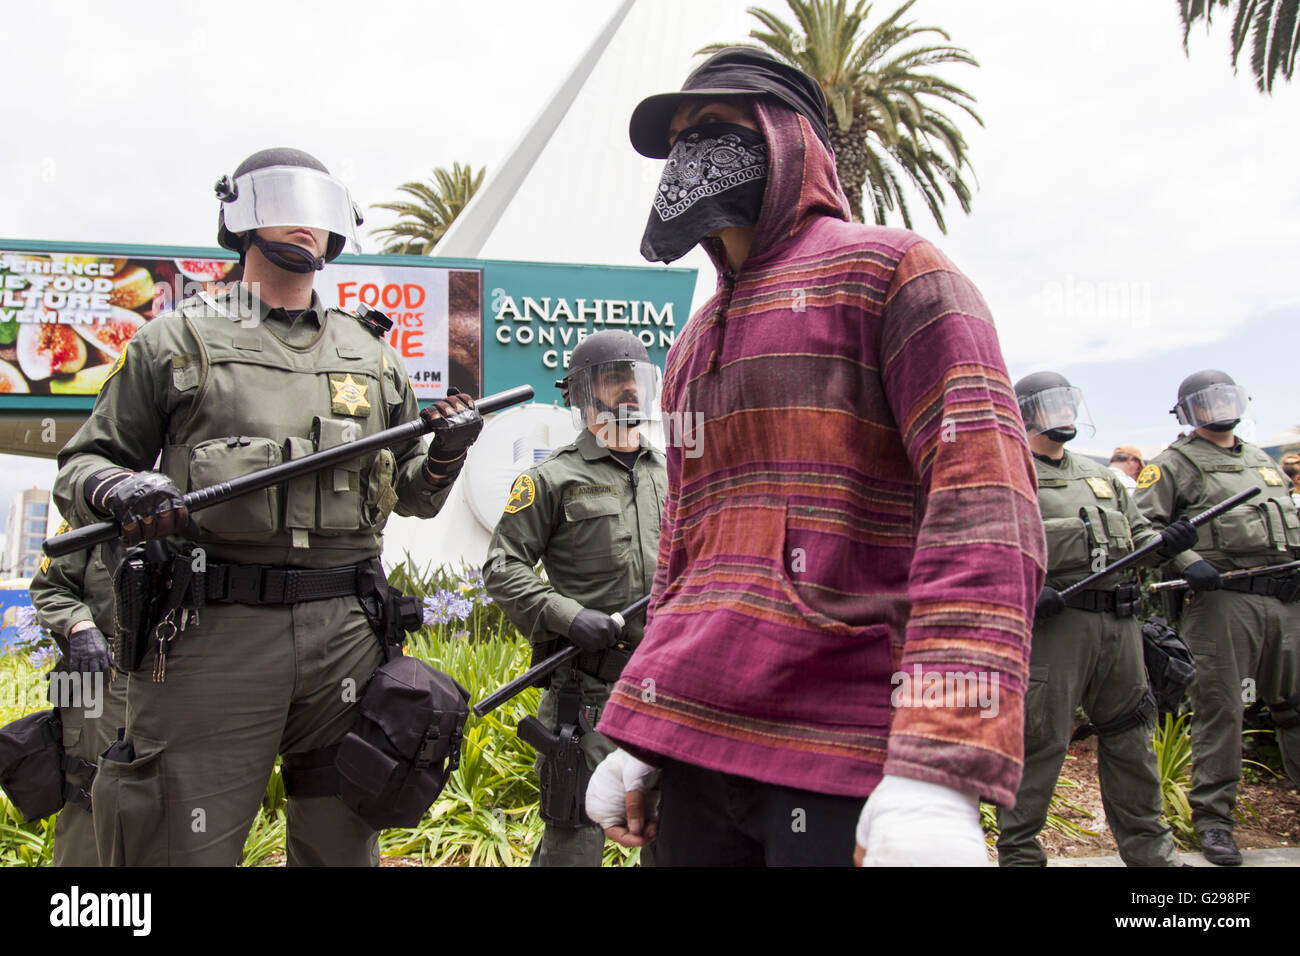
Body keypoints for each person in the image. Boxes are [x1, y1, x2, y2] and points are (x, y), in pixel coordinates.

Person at [584, 48, 1046, 867]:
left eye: (719, 129)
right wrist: (646, 731)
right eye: (681, 138)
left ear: (791, 141)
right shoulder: (692, 343)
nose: (693, 153)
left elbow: (984, 512)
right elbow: (684, 550)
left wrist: (940, 765)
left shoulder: (897, 273)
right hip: (700, 758)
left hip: (851, 760)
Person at [51, 147, 483, 866]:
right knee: (174, 842)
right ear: (240, 217)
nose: (305, 225)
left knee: (344, 842)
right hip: (212, 628)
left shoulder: (371, 354)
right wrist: (122, 489)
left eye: (318, 207)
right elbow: (83, 465)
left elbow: (410, 492)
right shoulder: (176, 338)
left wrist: (445, 453)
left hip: (347, 627)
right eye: (283, 202)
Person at [996, 373, 1197, 867]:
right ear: (1025, 412)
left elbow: (1141, 530)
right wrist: (1024, 589)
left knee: (1132, 737)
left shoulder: (1100, 475)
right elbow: (985, 545)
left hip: (1121, 623)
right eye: (1050, 406)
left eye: (1068, 404)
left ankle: (1151, 853)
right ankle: (1020, 854)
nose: (1063, 415)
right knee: (1040, 740)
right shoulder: (1006, 470)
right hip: (1055, 628)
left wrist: (1169, 544)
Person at [483, 330, 667, 866]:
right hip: (587, 695)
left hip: (665, 686)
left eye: (637, 377)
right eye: (614, 379)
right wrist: (568, 616)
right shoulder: (551, 478)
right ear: (582, 394)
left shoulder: (673, 474)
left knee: (672, 832)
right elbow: (501, 566)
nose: (629, 391)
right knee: (574, 843)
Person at [1134, 369, 1300, 866]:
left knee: (1295, 707)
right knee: (1221, 710)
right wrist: (1189, 562)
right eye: (1206, 403)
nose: (1218, 409)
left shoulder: (1256, 459)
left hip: (1285, 597)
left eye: (1225, 399)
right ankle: (1214, 821)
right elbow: (1144, 526)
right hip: (1223, 600)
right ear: (1188, 411)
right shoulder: (1172, 464)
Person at [28, 530, 128, 866]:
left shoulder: (196, 501)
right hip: (96, 673)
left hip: (178, 671)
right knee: (89, 788)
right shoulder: (88, 512)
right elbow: (48, 588)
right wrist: (79, 625)